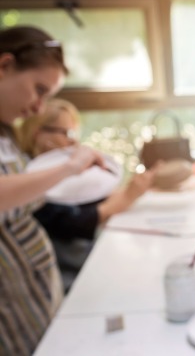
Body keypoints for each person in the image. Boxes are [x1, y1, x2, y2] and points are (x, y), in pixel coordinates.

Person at [0, 25, 106, 355]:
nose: (38, 106)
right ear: (4, 66)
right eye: (38, 89)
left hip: (29, 296)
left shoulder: (6, 138)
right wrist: (68, 167)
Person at [18, 98, 155, 292]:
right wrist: (127, 197)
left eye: (74, 133)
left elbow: (91, 201)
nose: (73, 140)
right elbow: (72, 222)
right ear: (38, 133)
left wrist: (134, 189)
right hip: (67, 277)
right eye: (66, 132)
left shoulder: (61, 173)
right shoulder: (28, 178)